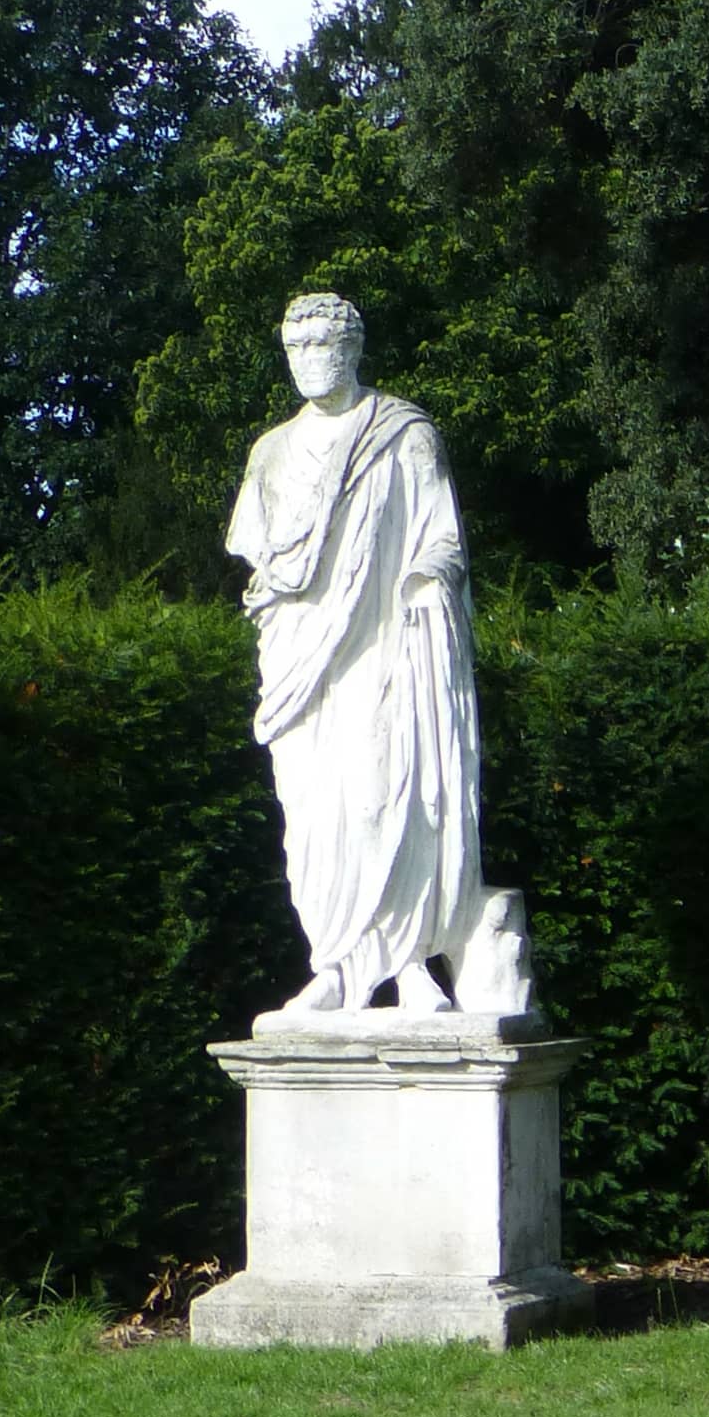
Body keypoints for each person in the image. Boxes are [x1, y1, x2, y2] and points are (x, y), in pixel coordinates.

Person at [227, 293, 488, 1016]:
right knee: (314, 813)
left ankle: (408, 967)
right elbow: (259, 558)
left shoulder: (402, 433)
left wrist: (428, 582)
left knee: (389, 793)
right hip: (302, 661)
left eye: (326, 346)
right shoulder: (271, 452)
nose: (313, 359)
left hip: (384, 646)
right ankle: (336, 966)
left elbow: (442, 536)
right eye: (299, 348)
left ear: (353, 350)